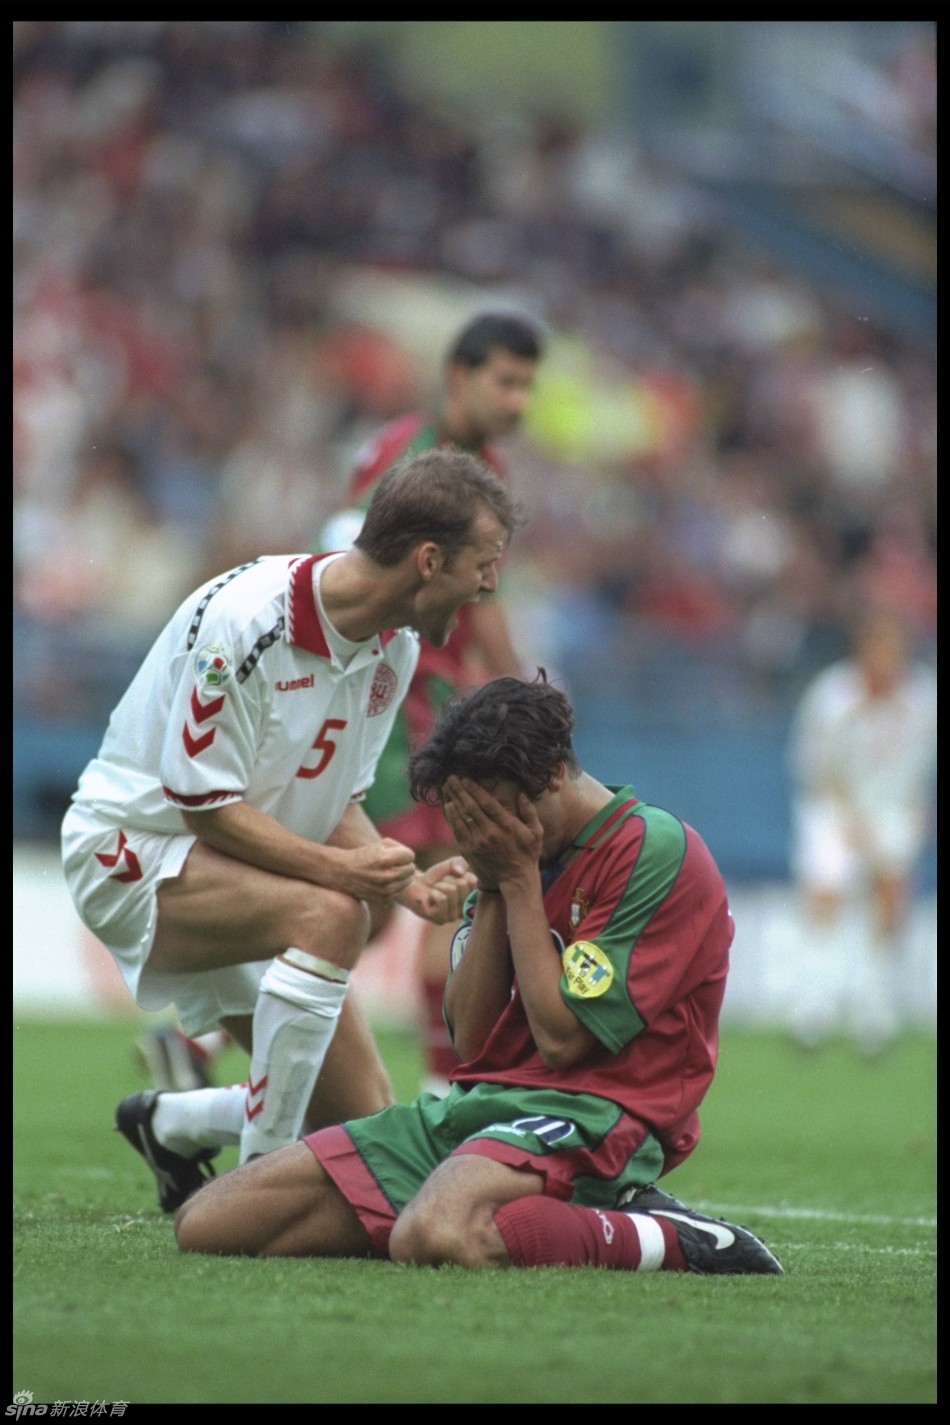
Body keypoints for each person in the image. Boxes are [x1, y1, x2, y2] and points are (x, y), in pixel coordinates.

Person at [173, 673, 783, 1276]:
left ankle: (668, 1237)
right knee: (209, 1223)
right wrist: (493, 886)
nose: (482, 834)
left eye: (490, 811)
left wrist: (516, 880)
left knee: (436, 1234)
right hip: (481, 1109)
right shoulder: (508, 861)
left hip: (597, 1115)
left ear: (550, 776)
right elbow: (470, 1041)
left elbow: (563, 1040)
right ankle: (479, 1208)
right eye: (466, 820)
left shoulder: (652, 849)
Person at [60, 449, 524, 1212]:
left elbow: (335, 802)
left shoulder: (394, 647)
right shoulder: (246, 622)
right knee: (333, 913)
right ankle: (256, 1187)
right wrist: (348, 877)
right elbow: (203, 806)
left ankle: (169, 1122)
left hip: (236, 875)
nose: (489, 585)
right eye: (484, 564)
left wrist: (407, 884)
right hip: (129, 853)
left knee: (366, 1123)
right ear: (429, 560)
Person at [317, 310, 545, 1096]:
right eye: (505, 382)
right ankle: (450, 1087)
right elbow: (346, 563)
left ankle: (204, 1041)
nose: (518, 401)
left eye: (527, 385)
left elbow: (487, 599)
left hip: (436, 699)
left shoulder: (485, 472)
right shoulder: (403, 458)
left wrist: (514, 692)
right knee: (436, 880)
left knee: (396, 896)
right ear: (459, 375)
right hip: (395, 700)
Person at [786, 603, 937, 1054]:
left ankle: (875, 1008)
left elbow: (921, 765)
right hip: (833, 807)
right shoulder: (832, 697)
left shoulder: (922, 700)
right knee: (826, 894)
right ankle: (812, 1006)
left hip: (893, 808)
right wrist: (851, 821)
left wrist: (916, 809)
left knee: (891, 896)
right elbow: (813, 767)